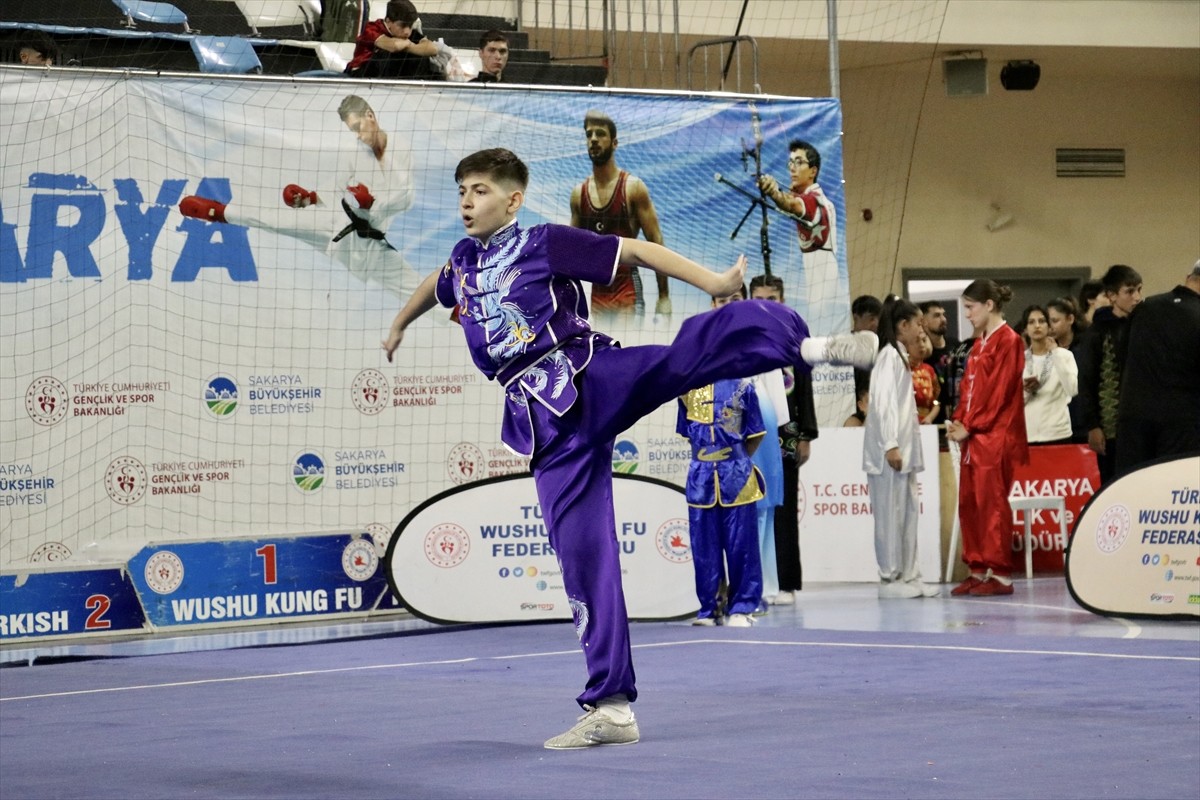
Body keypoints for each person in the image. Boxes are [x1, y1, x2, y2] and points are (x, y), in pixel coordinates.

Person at [381, 148, 877, 749]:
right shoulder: (462, 259)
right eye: (462, 189)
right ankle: (612, 707)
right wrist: (400, 322)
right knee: (583, 558)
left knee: (681, 359)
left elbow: (635, 251)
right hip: (540, 423)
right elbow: (436, 284)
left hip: (589, 374)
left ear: (512, 200)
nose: (466, 200)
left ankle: (803, 347)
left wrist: (714, 282)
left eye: (480, 190)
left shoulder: (544, 241)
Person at [178, 94, 421, 301]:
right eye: (352, 131)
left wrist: (372, 204)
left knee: (416, 291)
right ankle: (218, 212)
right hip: (334, 222)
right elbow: (335, 186)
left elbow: (406, 196)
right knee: (275, 220)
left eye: (357, 127)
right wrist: (305, 198)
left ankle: (459, 317)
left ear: (370, 115)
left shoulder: (399, 149)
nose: (358, 136)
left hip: (369, 244)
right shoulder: (355, 152)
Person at [946, 280, 1028, 597]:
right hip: (975, 435)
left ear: (989, 305)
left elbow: (1000, 394)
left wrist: (972, 424)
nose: (966, 314)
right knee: (970, 502)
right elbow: (969, 388)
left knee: (992, 504)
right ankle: (978, 569)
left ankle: (1001, 574)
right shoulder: (979, 344)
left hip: (996, 436)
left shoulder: (1009, 341)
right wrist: (958, 420)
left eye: (970, 307)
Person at [677, 339, 767, 628]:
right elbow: (687, 433)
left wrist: (734, 459)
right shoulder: (687, 391)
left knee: (742, 545)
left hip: (737, 478)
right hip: (701, 479)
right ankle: (709, 608)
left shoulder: (744, 387)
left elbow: (756, 433)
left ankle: (742, 607)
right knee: (704, 547)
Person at [749, 273, 819, 605]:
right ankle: (754, 582)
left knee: (784, 508)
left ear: (783, 299)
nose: (766, 304)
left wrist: (805, 434)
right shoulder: (743, 338)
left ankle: (787, 582)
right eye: (759, 297)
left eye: (772, 298)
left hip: (787, 440)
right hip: (748, 438)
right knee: (751, 511)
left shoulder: (795, 338)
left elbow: (804, 390)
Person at [864, 297, 936, 598]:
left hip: (903, 452)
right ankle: (889, 577)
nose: (922, 329)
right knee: (890, 517)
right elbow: (883, 406)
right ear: (902, 326)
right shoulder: (887, 358)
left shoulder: (902, 357)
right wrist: (891, 444)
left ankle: (909, 573)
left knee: (907, 516)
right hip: (889, 454)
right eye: (918, 323)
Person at [569, 110, 671, 323]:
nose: (594, 139)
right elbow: (573, 251)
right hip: (598, 296)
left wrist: (664, 297)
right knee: (601, 355)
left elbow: (657, 242)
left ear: (614, 143)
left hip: (628, 293)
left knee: (626, 352)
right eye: (589, 135)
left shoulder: (633, 188)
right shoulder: (579, 194)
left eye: (600, 134)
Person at [1116, 260, 1200, 474]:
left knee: (1132, 489)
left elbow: (1122, 354)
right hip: (1180, 422)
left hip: (1133, 416)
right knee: (1172, 494)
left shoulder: (1145, 306)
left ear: (1188, 277)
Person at [757, 140, 841, 332]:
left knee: (821, 332)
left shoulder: (813, 200)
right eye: (790, 163)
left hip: (822, 280)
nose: (792, 168)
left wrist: (774, 192)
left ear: (813, 171)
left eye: (799, 162)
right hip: (821, 273)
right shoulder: (816, 198)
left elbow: (792, 205)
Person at [1077, 264, 1143, 484]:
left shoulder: (1143, 326)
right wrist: (1093, 425)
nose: (1137, 297)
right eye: (1130, 291)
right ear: (1112, 296)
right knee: (1113, 484)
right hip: (1110, 426)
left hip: (1140, 422)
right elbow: (1086, 380)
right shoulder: (1097, 333)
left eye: (1139, 290)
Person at [343, 0, 451, 79]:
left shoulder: (408, 34)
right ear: (389, 21)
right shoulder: (372, 29)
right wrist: (413, 46)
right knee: (390, 55)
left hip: (391, 73)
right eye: (403, 26)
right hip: (362, 72)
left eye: (410, 26)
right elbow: (393, 46)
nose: (407, 32)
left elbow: (433, 49)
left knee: (425, 60)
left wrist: (408, 45)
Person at [1019, 304, 1078, 444]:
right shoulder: (1019, 359)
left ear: (1049, 327)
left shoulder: (1065, 355)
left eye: (1042, 321)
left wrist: (1055, 353)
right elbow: (1011, 404)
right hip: (1028, 433)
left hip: (1058, 433)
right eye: (1031, 322)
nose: (1037, 326)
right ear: (1026, 329)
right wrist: (1026, 391)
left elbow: (1073, 389)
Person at [1046, 296, 1088, 442]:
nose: (1051, 327)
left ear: (1070, 319)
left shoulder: (1085, 345)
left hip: (1082, 419)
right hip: (1056, 422)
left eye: (1055, 321)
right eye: (1048, 321)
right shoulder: (1046, 349)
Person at [919, 300, 957, 426]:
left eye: (943, 314)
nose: (943, 319)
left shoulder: (956, 346)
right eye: (936, 315)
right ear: (923, 321)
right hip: (931, 420)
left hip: (956, 416)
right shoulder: (920, 353)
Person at [910, 329, 940, 424]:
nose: (922, 345)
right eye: (916, 341)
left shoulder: (929, 370)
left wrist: (930, 417)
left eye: (923, 340)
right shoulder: (902, 369)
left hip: (926, 423)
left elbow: (937, 401)